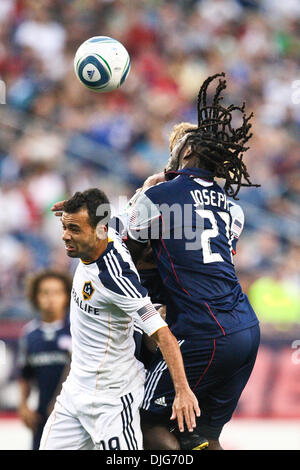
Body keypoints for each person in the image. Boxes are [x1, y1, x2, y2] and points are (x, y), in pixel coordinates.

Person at [125, 73, 261, 450]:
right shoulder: (233, 209)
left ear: (185, 153)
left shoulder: (158, 195)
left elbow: (127, 253)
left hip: (203, 331)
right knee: (200, 434)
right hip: (247, 329)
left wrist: (141, 195)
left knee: (141, 422)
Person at [42, 188, 199, 450]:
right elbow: (144, 194)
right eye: (65, 227)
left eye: (74, 229)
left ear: (98, 231)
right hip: (74, 393)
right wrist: (165, 174)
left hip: (112, 401)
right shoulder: (112, 228)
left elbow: (163, 335)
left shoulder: (116, 280)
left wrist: (182, 391)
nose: (65, 236)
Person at [17, 270, 72, 450]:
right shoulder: (30, 335)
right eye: (45, 293)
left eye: (57, 292)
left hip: (72, 414)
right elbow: (25, 374)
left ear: (66, 296)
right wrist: (24, 405)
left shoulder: (76, 331)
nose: (51, 298)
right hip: (42, 415)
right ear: (36, 296)